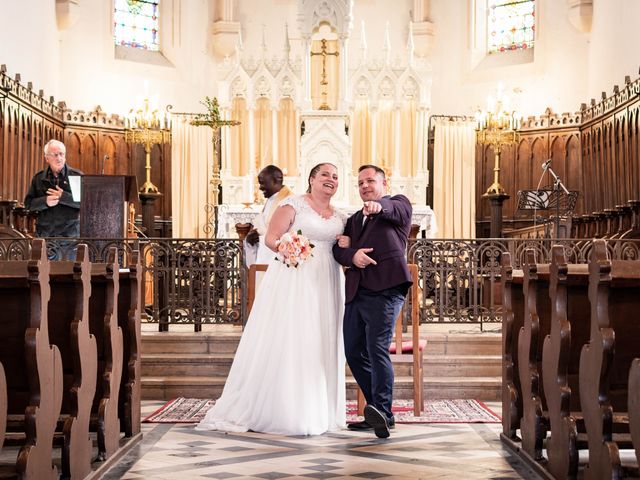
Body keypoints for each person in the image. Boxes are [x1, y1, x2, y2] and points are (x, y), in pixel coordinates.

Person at [197, 163, 347, 435]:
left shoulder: (339, 215)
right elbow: (271, 238)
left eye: (335, 176)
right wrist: (288, 247)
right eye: (325, 174)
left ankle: (321, 410)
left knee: (322, 338)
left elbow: (342, 246)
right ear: (311, 178)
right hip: (296, 276)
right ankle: (290, 410)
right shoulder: (292, 205)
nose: (331, 180)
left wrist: (346, 244)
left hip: (328, 279)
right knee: (296, 337)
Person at [332, 164, 413, 439]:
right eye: (360, 183)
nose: (365, 186)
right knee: (353, 351)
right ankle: (375, 411)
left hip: (386, 289)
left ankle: (384, 413)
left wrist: (380, 207)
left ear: (383, 183)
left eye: (370, 181)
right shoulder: (354, 219)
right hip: (356, 291)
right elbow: (338, 251)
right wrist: (351, 255)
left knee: (376, 348)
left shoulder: (397, 204)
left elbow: (396, 211)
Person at [24, 139, 83, 237]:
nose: (59, 158)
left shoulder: (77, 176)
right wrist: (45, 201)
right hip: (45, 235)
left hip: (70, 237)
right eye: (55, 155)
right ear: (47, 158)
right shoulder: (38, 178)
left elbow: (86, 204)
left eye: (61, 154)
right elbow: (28, 205)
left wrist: (64, 197)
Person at [244, 165, 293, 267]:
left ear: (275, 181)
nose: (260, 187)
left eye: (262, 183)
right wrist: (254, 235)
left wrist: (261, 237)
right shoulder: (271, 199)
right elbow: (265, 225)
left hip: (278, 260)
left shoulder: (289, 200)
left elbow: (288, 232)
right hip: (265, 253)